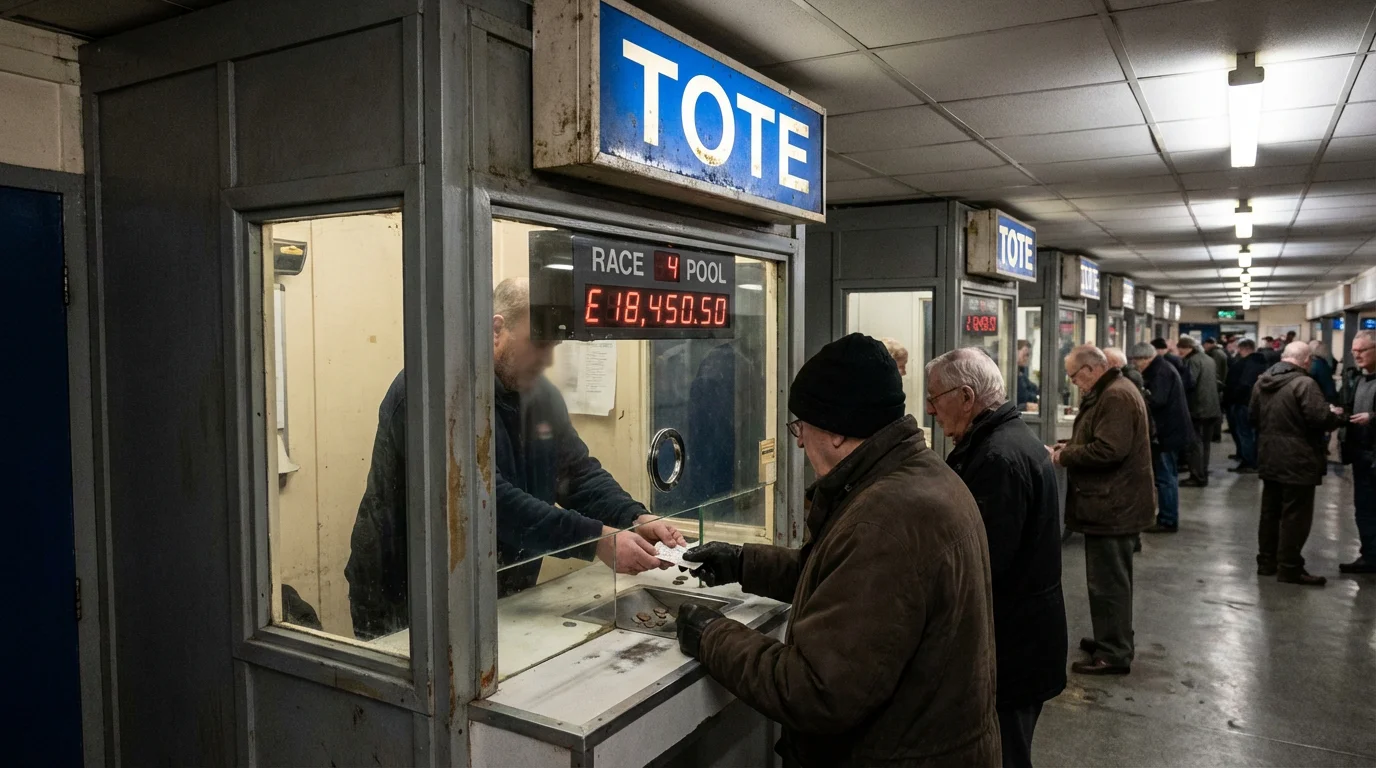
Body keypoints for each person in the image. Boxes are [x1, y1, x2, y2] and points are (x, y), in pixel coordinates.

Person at [678, 333, 1000, 767]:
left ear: (833, 431)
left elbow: (815, 689)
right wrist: (742, 562)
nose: (797, 441)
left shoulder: (886, 520)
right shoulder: (917, 477)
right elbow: (841, 580)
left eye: (801, 426)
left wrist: (712, 636)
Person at [344, 279, 684, 639]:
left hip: (495, 590)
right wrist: (595, 538)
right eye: (538, 344)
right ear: (496, 329)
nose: (547, 358)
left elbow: (578, 474)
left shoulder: (538, 395)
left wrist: (632, 517)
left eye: (552, 345)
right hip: (408, 600)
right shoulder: (434, 392)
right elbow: (485, 502)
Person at [927, 348, 1067, 768]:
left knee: (1004, 754)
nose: (930, 409)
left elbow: (982, 559)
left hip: (1012, 647)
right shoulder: (1007, 442)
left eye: (935, 398)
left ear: (967, 397)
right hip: (1024, 638)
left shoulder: (997, 459)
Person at [1051, 345, 1155, 675]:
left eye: (1074, 376)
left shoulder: (1115, 396)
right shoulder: (1113, 391)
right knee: (1108, 580)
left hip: (1114, 506)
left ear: (1091, 370)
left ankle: (1114, 652)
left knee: (1109, 583)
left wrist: (1065, 456)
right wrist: (1073, 446)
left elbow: (1110, 449)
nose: (1074, 383)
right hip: (1112, 504)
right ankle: (1111, 638)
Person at [1251, 342, 1346, 586]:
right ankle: (1290, 568)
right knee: (1296, 515)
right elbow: (1320, 418)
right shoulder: (1305, 384)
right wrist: (1335, 414)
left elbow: (1253, 417)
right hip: (1299, 460)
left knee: (1270, 512)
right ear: (1307, 361)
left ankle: (1266, 562)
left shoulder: (1261, 382)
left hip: (1269, 456)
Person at [1130, 342, 1191, 533]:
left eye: (1137, 361)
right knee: (1167, 476)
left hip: (1167, 433)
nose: (1136, 365)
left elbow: (1157, 400)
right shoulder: (1163, 368)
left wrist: (1138, 397)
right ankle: (1166, 516)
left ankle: (1167, 519)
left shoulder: (1160, 372)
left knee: (1166, 478)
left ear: (1145, 358)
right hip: (1170, 431)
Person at [1340, 330, 1376, 574]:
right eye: (1354, 351)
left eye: (1362, 350)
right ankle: (1370, 555)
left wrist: (1373, 417)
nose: (1357, 355)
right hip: (1362, 456)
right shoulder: (1361, 379)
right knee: (1364, 509)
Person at [1179, 337, 1222, 488]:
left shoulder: (1192, 361)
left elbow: (1189, 383)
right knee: (1205, 444)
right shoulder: (1209, 359)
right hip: (1212, 408)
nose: (1179, 352)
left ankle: (1197, 476)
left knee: (1194, 444)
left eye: (1181, 349)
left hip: (1198, 408)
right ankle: (1202, 472)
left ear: (1188, 348)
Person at [1223, 339, 1270, 473]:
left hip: (1243, 403)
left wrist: (1232, 398)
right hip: (1257, 403)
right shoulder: (1262, 363)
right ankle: (1251, 459)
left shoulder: (1246, 364)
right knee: (1253, 433)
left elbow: (1243, 384)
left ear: (1243, 349)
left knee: (1244, 433)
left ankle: (1248, 461)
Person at [1017, 339, 1040, 412]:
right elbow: (1023, 396)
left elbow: (1034, 388)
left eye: (1028, 355)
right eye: (1025, 354)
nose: (1026, 358)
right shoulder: (1010, 375)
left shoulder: (1021, 373)